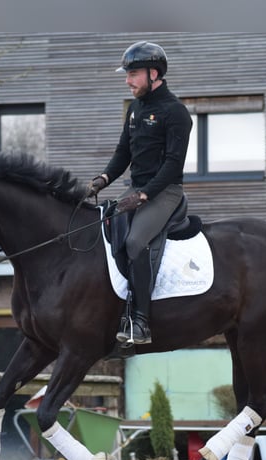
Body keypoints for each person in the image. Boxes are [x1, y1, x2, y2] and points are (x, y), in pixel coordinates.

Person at [88, 41, 193, 346]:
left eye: (133, 73)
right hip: (136, 189)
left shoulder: (176, 112)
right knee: (108, 233)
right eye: (128, 73)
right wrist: (101, 180)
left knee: (135, 241)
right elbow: (123, 153)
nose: (127, 79)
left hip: (166, 192)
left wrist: (145, 195)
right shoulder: (135, 109)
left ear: (154, 73)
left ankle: (142, 322)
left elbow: (173, 165)